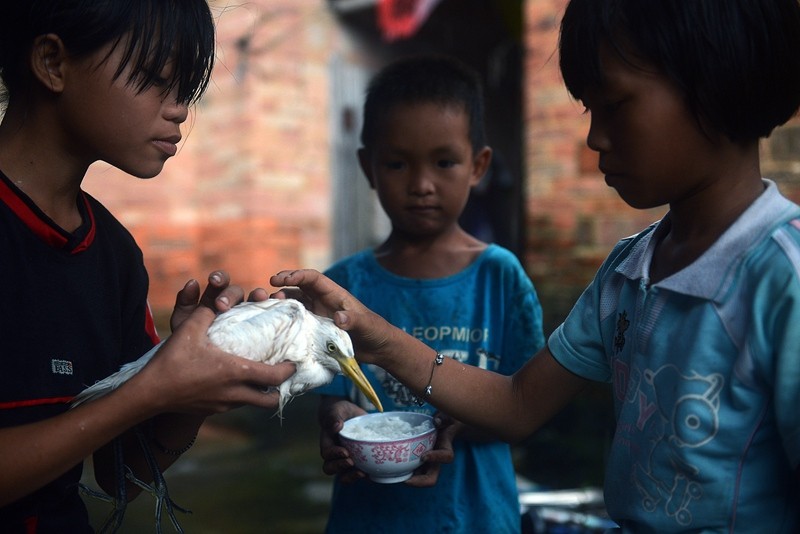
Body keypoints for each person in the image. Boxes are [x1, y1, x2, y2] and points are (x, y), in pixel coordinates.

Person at [271, 0, 800, 531]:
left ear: (715, 86)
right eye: (590, 111)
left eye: (614, 105)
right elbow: (517, 402)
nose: (594, 138)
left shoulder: (783, 278)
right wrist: (376, 337)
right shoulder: (628, 272)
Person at [0, 2, 296, 531]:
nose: (179, 109)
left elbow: (123, 475)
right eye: (155, 79)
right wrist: (149, 391)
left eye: (186, 88)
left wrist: (195, 385)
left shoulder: (112, 254)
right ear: (52, 63)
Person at [313, 55, 546, 533]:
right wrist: (336, 421)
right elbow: (333, 398)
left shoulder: (500, 278)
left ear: (478, 165)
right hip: (369, 519)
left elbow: (528, 406)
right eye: (397, 163)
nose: (421, 185)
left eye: (444, 162)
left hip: (476, 517)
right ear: (368, 166)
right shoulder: (344, 287)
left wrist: (459, 423)